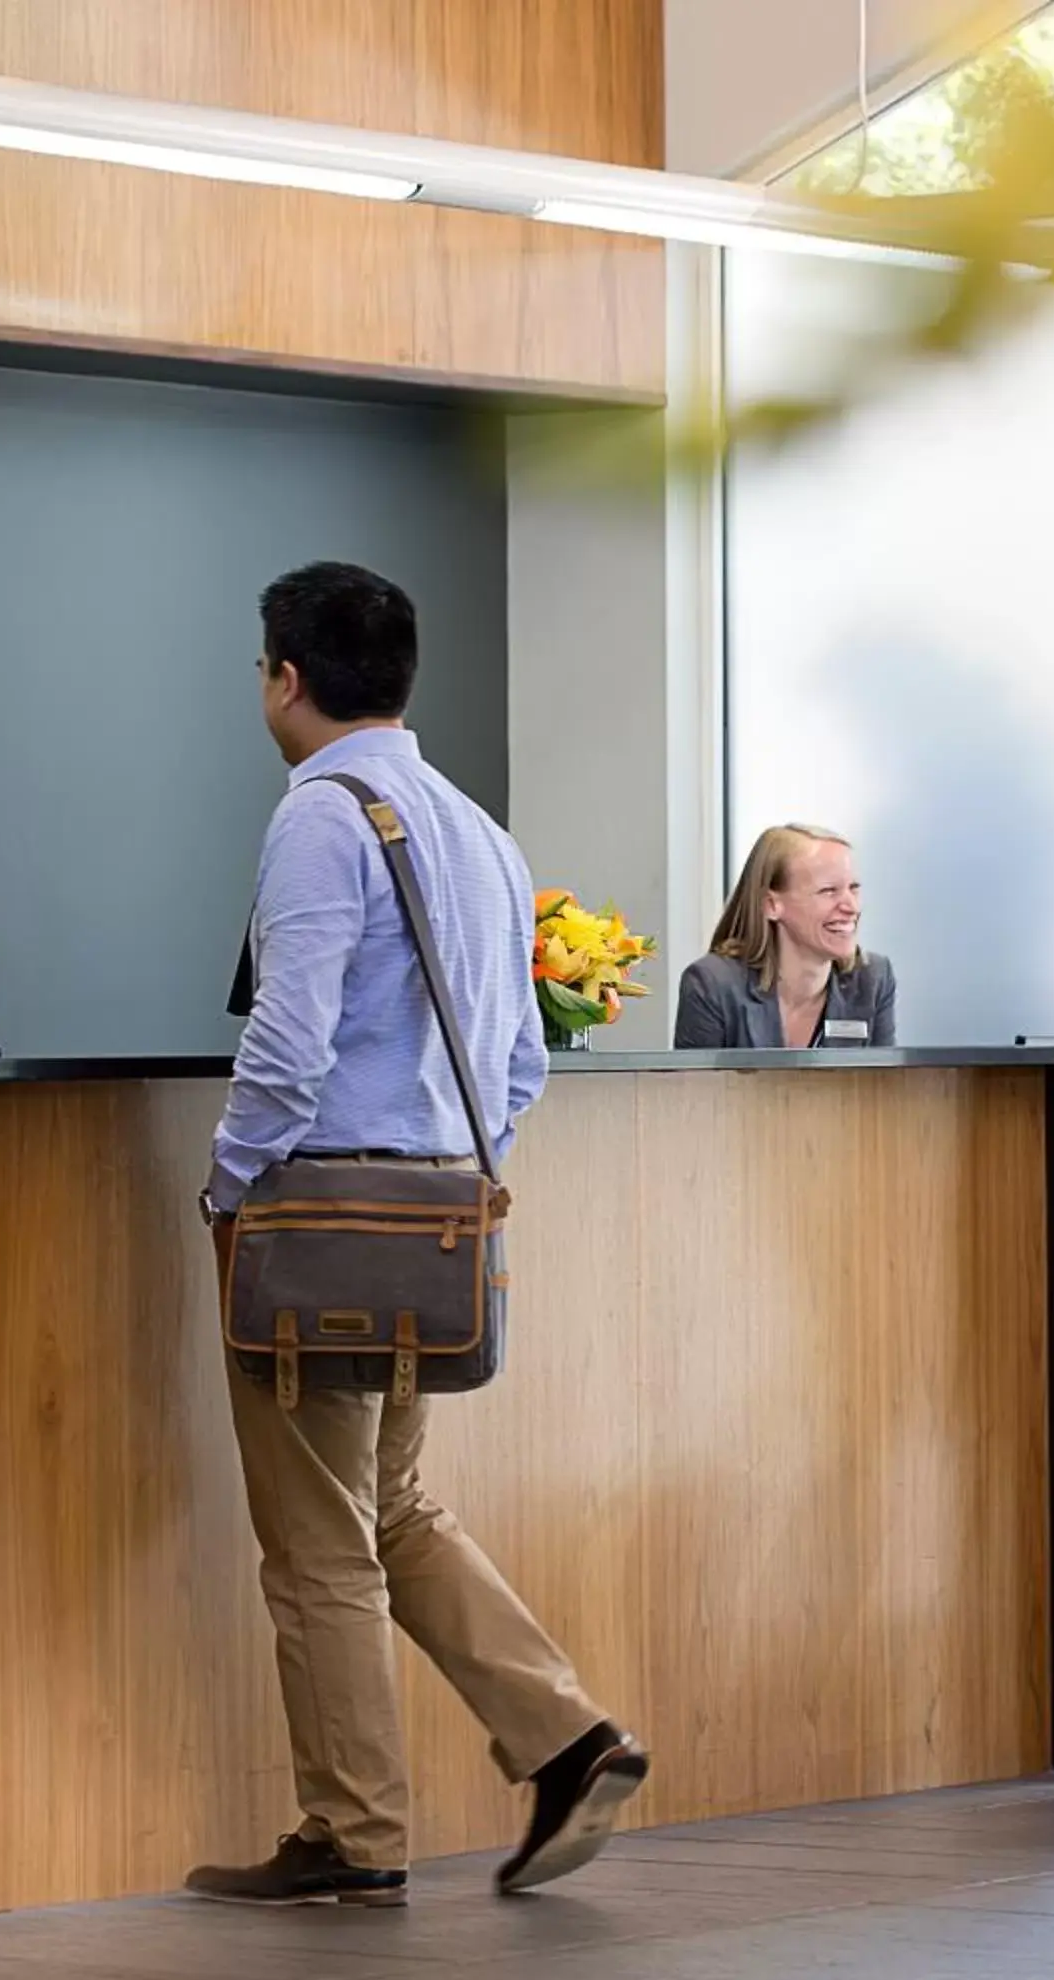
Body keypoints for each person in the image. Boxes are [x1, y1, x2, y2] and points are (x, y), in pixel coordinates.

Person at [187, 560, 645, 1910]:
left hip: (319, 1213)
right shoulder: (475, 829)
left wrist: (231, 1180)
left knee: (318, 1539)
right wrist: (457, 1167)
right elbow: (519, 1064)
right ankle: (567, 1739)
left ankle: (354, 1832)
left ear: (284, 676)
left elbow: (290, 1032)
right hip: (436, 1214)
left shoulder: (324, 818)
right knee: (387, 1507)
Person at [673, 823, 897, 1049]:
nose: (851, 907)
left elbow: (883, 1084)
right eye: (829, 891)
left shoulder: (873, 980)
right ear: (771, 905)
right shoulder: (712, 984)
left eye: (854, 888)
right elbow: (695, 1085)